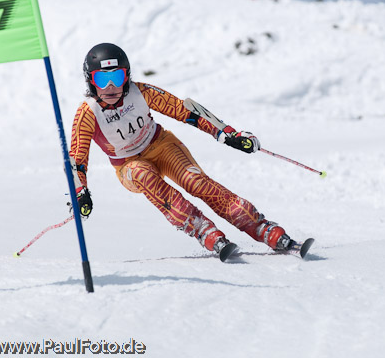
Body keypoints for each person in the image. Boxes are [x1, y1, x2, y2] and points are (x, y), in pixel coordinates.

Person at [70, 43, 299, 260]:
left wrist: (228, 134)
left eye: (116, 77)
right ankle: (203, 230)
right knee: (142, 173)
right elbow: (77, 160)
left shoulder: (141, 92)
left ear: (127, 77)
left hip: (161, 145)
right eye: (102, 79)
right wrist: (80, 192)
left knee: (195, 182)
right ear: (91, 81)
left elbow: (184, 110)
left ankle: (260, 226)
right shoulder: (87, 114)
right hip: (127, 164)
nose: (110, 87)